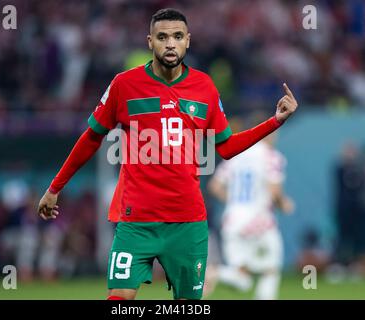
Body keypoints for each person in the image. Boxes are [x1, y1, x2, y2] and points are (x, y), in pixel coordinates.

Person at [37, 8, 298, 300]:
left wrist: (274, 121)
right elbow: (90, 138)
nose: (170, 43)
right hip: (136, 221)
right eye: (162, 37)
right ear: (150, 41)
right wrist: (54, 188)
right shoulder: (124, 85)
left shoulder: (205, 88)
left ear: (188, 41)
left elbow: (227, 147)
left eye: (177, 36)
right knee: (119, 298)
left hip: (188, 224)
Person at [207, 132, 294, 300]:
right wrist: (284, 204)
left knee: (242, 278)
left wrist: (233, 200)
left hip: (232, 220)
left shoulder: (234, 157)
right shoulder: (271, 156)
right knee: (271, 269)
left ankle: (217, 272)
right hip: (259, 220)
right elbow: (275, 190)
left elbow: (214, 186)